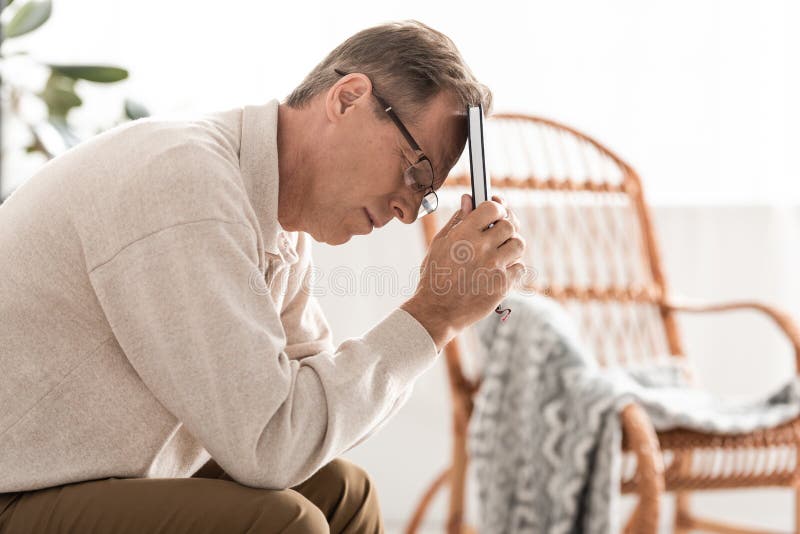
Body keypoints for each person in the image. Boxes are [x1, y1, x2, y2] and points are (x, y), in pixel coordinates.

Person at [0, 20, 525, 533]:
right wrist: (431, 318)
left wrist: (436, 316)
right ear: (347, 99)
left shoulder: (273, 218)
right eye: (415, 171)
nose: (407, 213)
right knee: (284, 522)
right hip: (16, 488)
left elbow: (310, 420)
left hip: (90, 474)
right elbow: (271, 446)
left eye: (424, 193)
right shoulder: (186, 182)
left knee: (343, 490)